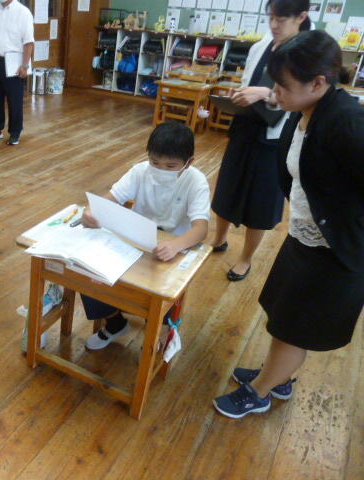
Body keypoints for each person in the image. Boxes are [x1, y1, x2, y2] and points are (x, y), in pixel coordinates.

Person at [214, 30, 364, 418]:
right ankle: (277, 376)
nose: (275, 92)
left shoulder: (347, 122)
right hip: (306, 234)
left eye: (283, 86)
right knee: (284, 316)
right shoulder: (305, 111)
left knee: (295, 327)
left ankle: (261, 392)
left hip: (336, 250)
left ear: (318, 82)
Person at [80, 122, 210, 350]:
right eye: (155, 162)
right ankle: (114, 322)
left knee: (164, 291)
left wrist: (176, 245)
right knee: (88, 269)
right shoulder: (140, 171)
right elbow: (111, 198)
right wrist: (91, 211)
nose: (161, 170)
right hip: (136, 237)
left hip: (173, 246)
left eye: (171, 166)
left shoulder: (196, 181)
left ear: (189, 162)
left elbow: (201, 228)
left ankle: (157, 328)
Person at [210, 0, 310, 282]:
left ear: (301, 16)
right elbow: (248, 83)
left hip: (275, 138)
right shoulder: (260, 47)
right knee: (228, 186)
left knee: (261, 201)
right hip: (244, 128)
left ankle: (245, 258)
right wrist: (240, 94)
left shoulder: (306, 53)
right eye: (272, 17)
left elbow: (302, 97)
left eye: (281, 19)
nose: (274, 25)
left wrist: (265, 94)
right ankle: (219, 238)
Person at [0, 0, 34, 146]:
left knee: (14, 100)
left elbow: (29, 42)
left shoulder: (23, 12)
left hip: (15, 62)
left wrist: (25, 65)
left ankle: (15, 132)